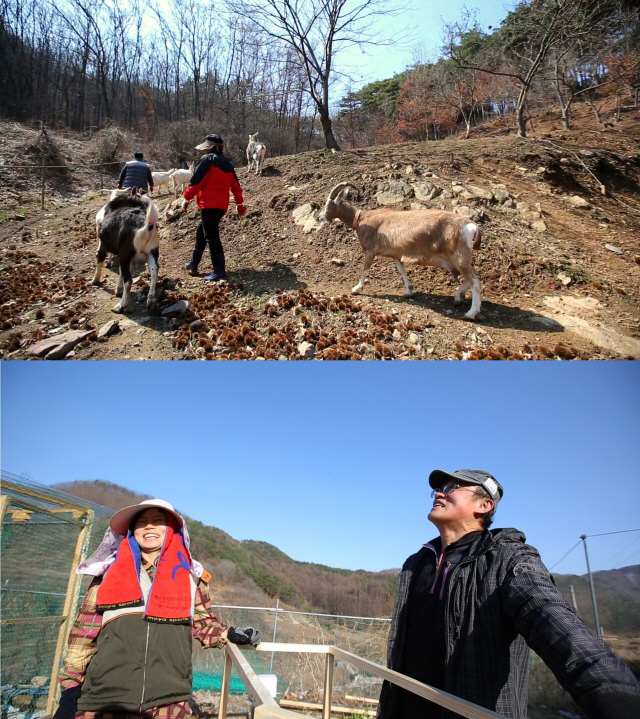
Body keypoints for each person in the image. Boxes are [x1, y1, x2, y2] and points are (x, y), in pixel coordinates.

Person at [377, 469, 640, 719]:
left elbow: (548, 615)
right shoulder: (416, 563)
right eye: (437, 489)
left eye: (451, 487)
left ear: (484, 505)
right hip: (404, 707)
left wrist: (612, 691)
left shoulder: (509, 558)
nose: (438, 493)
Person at [53, 499, 261, 719]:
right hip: (104, 701)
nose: (149, 526)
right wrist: (70, 691)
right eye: (142, 522)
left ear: (172, 529)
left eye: (158, 521)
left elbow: (203, 623)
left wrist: (230, 634)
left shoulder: (192, 577)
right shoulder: (107, 575)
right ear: (133, 531)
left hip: (169, 703)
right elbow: (82, 638)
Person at [182, 134, 246, 282]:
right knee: (202, 232)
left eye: (205, 149)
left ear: (209, 148)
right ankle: (194, 264)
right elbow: (236, 186)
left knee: (211, 236)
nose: (204, 152)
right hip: (221, 206)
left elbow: (196, 181)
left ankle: (219, 271)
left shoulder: (207, 160)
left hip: (208, 205)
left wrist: (186, 198)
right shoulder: (228, 163)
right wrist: (239, 203)